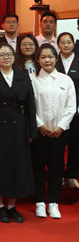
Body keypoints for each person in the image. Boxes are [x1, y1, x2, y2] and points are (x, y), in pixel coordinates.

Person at [0, 43, 37, 223]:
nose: (6, 58)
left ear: (14, 57)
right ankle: (0, 207)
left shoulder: (23, 76)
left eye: (9, 54)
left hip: (19, 127)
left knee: (17, 165)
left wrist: (31, 130)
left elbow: (30, 105)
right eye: (2, 55)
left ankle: (12, 206)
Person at [30, 44, 76, 219]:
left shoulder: (66, 80)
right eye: (43, 57)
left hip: (60, 132)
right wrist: (39, 125)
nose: (47, 60)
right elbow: (30, 106)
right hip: (39, 131)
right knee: (38, 166)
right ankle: (40, 202)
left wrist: (61, 126)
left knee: (56, 167)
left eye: (50, 57)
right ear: (38, 60)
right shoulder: (32, 79)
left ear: (56, 59)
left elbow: (71, 107)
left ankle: (54, 202)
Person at [55, 32, 79, 188]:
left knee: (75, 145)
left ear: (73, 44)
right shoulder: (53, 61)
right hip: (56, 111)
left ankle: (71, 175)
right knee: (57, 147)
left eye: (68, 42)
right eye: (62, 42)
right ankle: (58, 175)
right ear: (58, 45)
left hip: (76, 112)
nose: (66, 45)